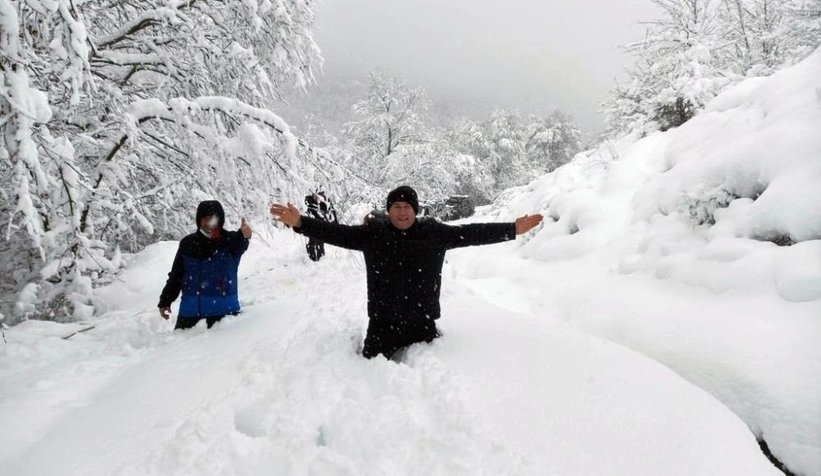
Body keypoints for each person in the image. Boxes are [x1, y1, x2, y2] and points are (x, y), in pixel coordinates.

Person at [270, 185, 543, 359]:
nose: (402, 212)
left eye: (407, 207)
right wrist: (301, 223)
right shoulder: (372, 235)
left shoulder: (434, 234)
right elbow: (336, 233)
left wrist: (511, 229)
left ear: (415, 209)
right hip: (382, 324)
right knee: (368, 379)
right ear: (389, 211)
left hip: (421, 322)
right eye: (396, 207)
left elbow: (470, 233)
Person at [158, 200, 252, 329]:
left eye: (212, 218)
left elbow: (240, 244)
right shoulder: (188, 243)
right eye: (205, 218)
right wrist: (165, 300)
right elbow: (176, 276)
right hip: (189, 317)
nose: (208, 222)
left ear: (220, 219)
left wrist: (245, 236)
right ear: (199, 220)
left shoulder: (230, 240)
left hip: (225, 318)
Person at [304, 190, 338, 261]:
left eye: (318, 196)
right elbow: (306, 215)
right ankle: (312, 259)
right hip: (312, 228)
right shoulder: (309, 205)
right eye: (315, 196)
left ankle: (321, 258)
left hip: (322, 228)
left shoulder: (326, 204)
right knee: (312, 242)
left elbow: (332, 215)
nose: (317, 198)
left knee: (320, 243)